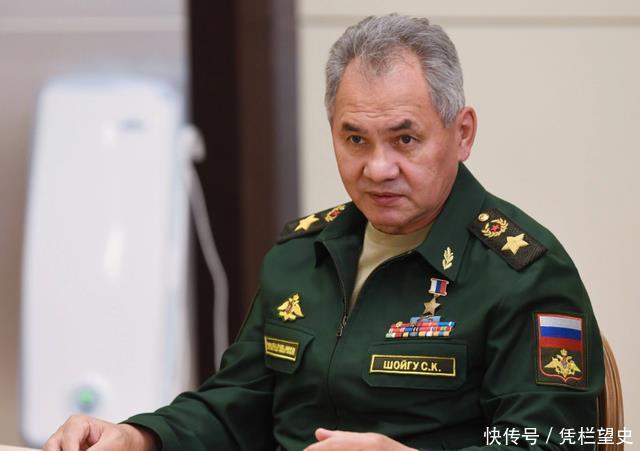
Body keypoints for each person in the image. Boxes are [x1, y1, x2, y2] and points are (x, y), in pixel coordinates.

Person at [44, 14, 603, 451]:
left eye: (405, 139)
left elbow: (557, 441)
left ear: (462, 133)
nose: (377, 168)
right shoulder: (302, 254)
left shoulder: (523, 273)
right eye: (355, 139)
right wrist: (138, 436)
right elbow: (238, 405)